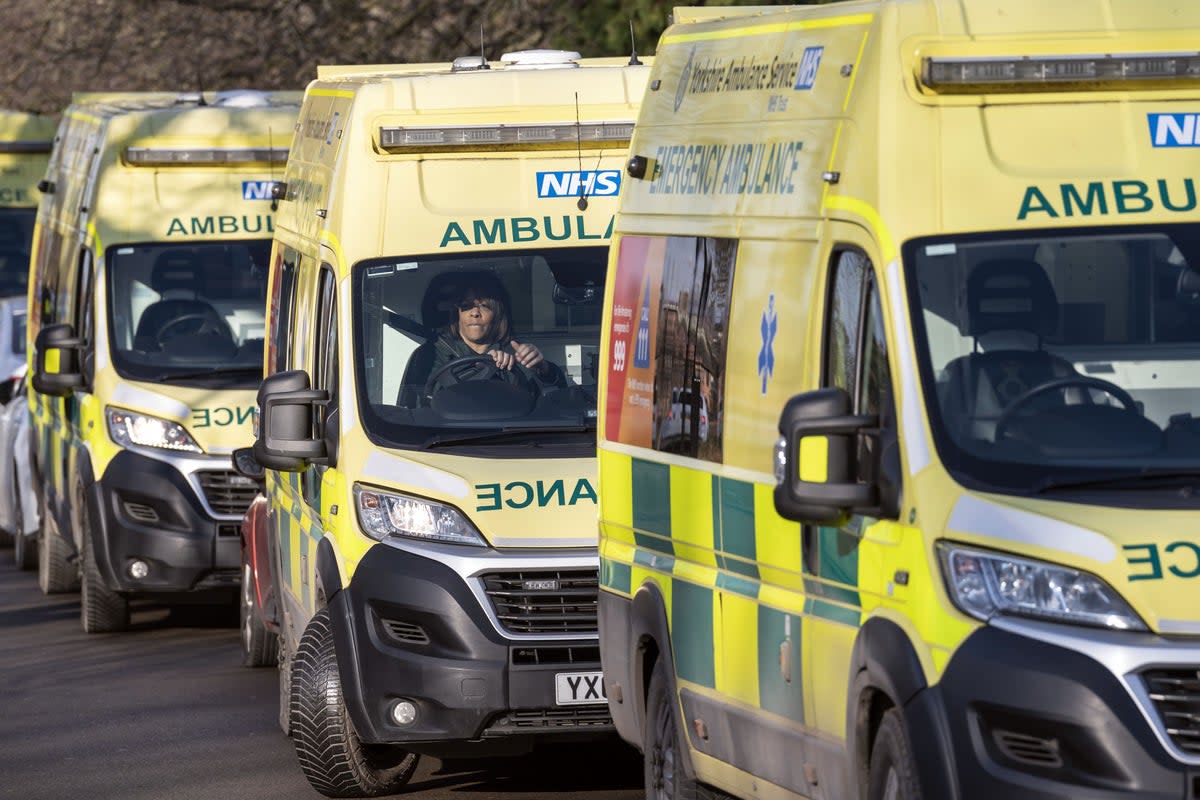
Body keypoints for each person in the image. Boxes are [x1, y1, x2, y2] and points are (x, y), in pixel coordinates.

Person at [422, 273, 566, 395]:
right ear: (457, 312)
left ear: (497, 314)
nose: (475, 313)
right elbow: (422, 402)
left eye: (484, 306)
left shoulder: (516, 352)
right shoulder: (432, 353)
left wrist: (542, 367)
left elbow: (557, 396)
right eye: (466, 305)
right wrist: (479, 367)